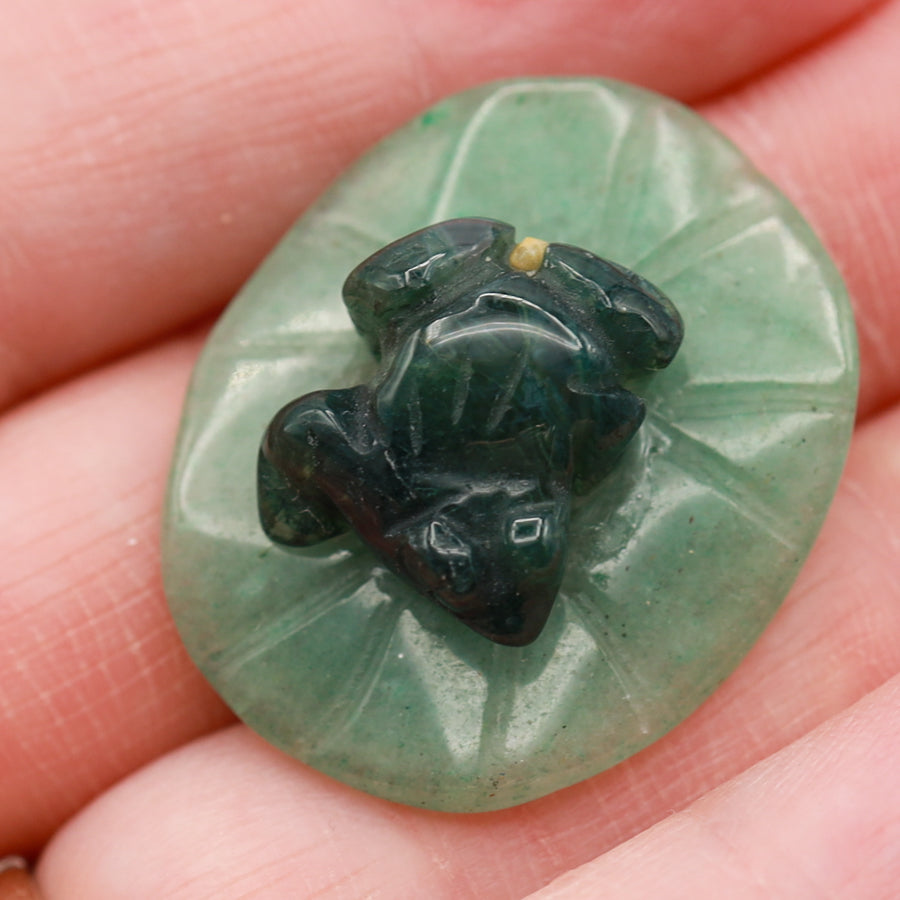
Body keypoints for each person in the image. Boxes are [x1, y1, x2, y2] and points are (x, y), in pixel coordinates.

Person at [1, 1, 899, 897]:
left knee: (480, 563)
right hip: (419, 433)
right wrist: (501, 263)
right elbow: (302, 493)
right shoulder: (353, 421)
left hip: (501, 444)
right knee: (322, 449)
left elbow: (649, 345)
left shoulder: (522, 487)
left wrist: (542, 269)